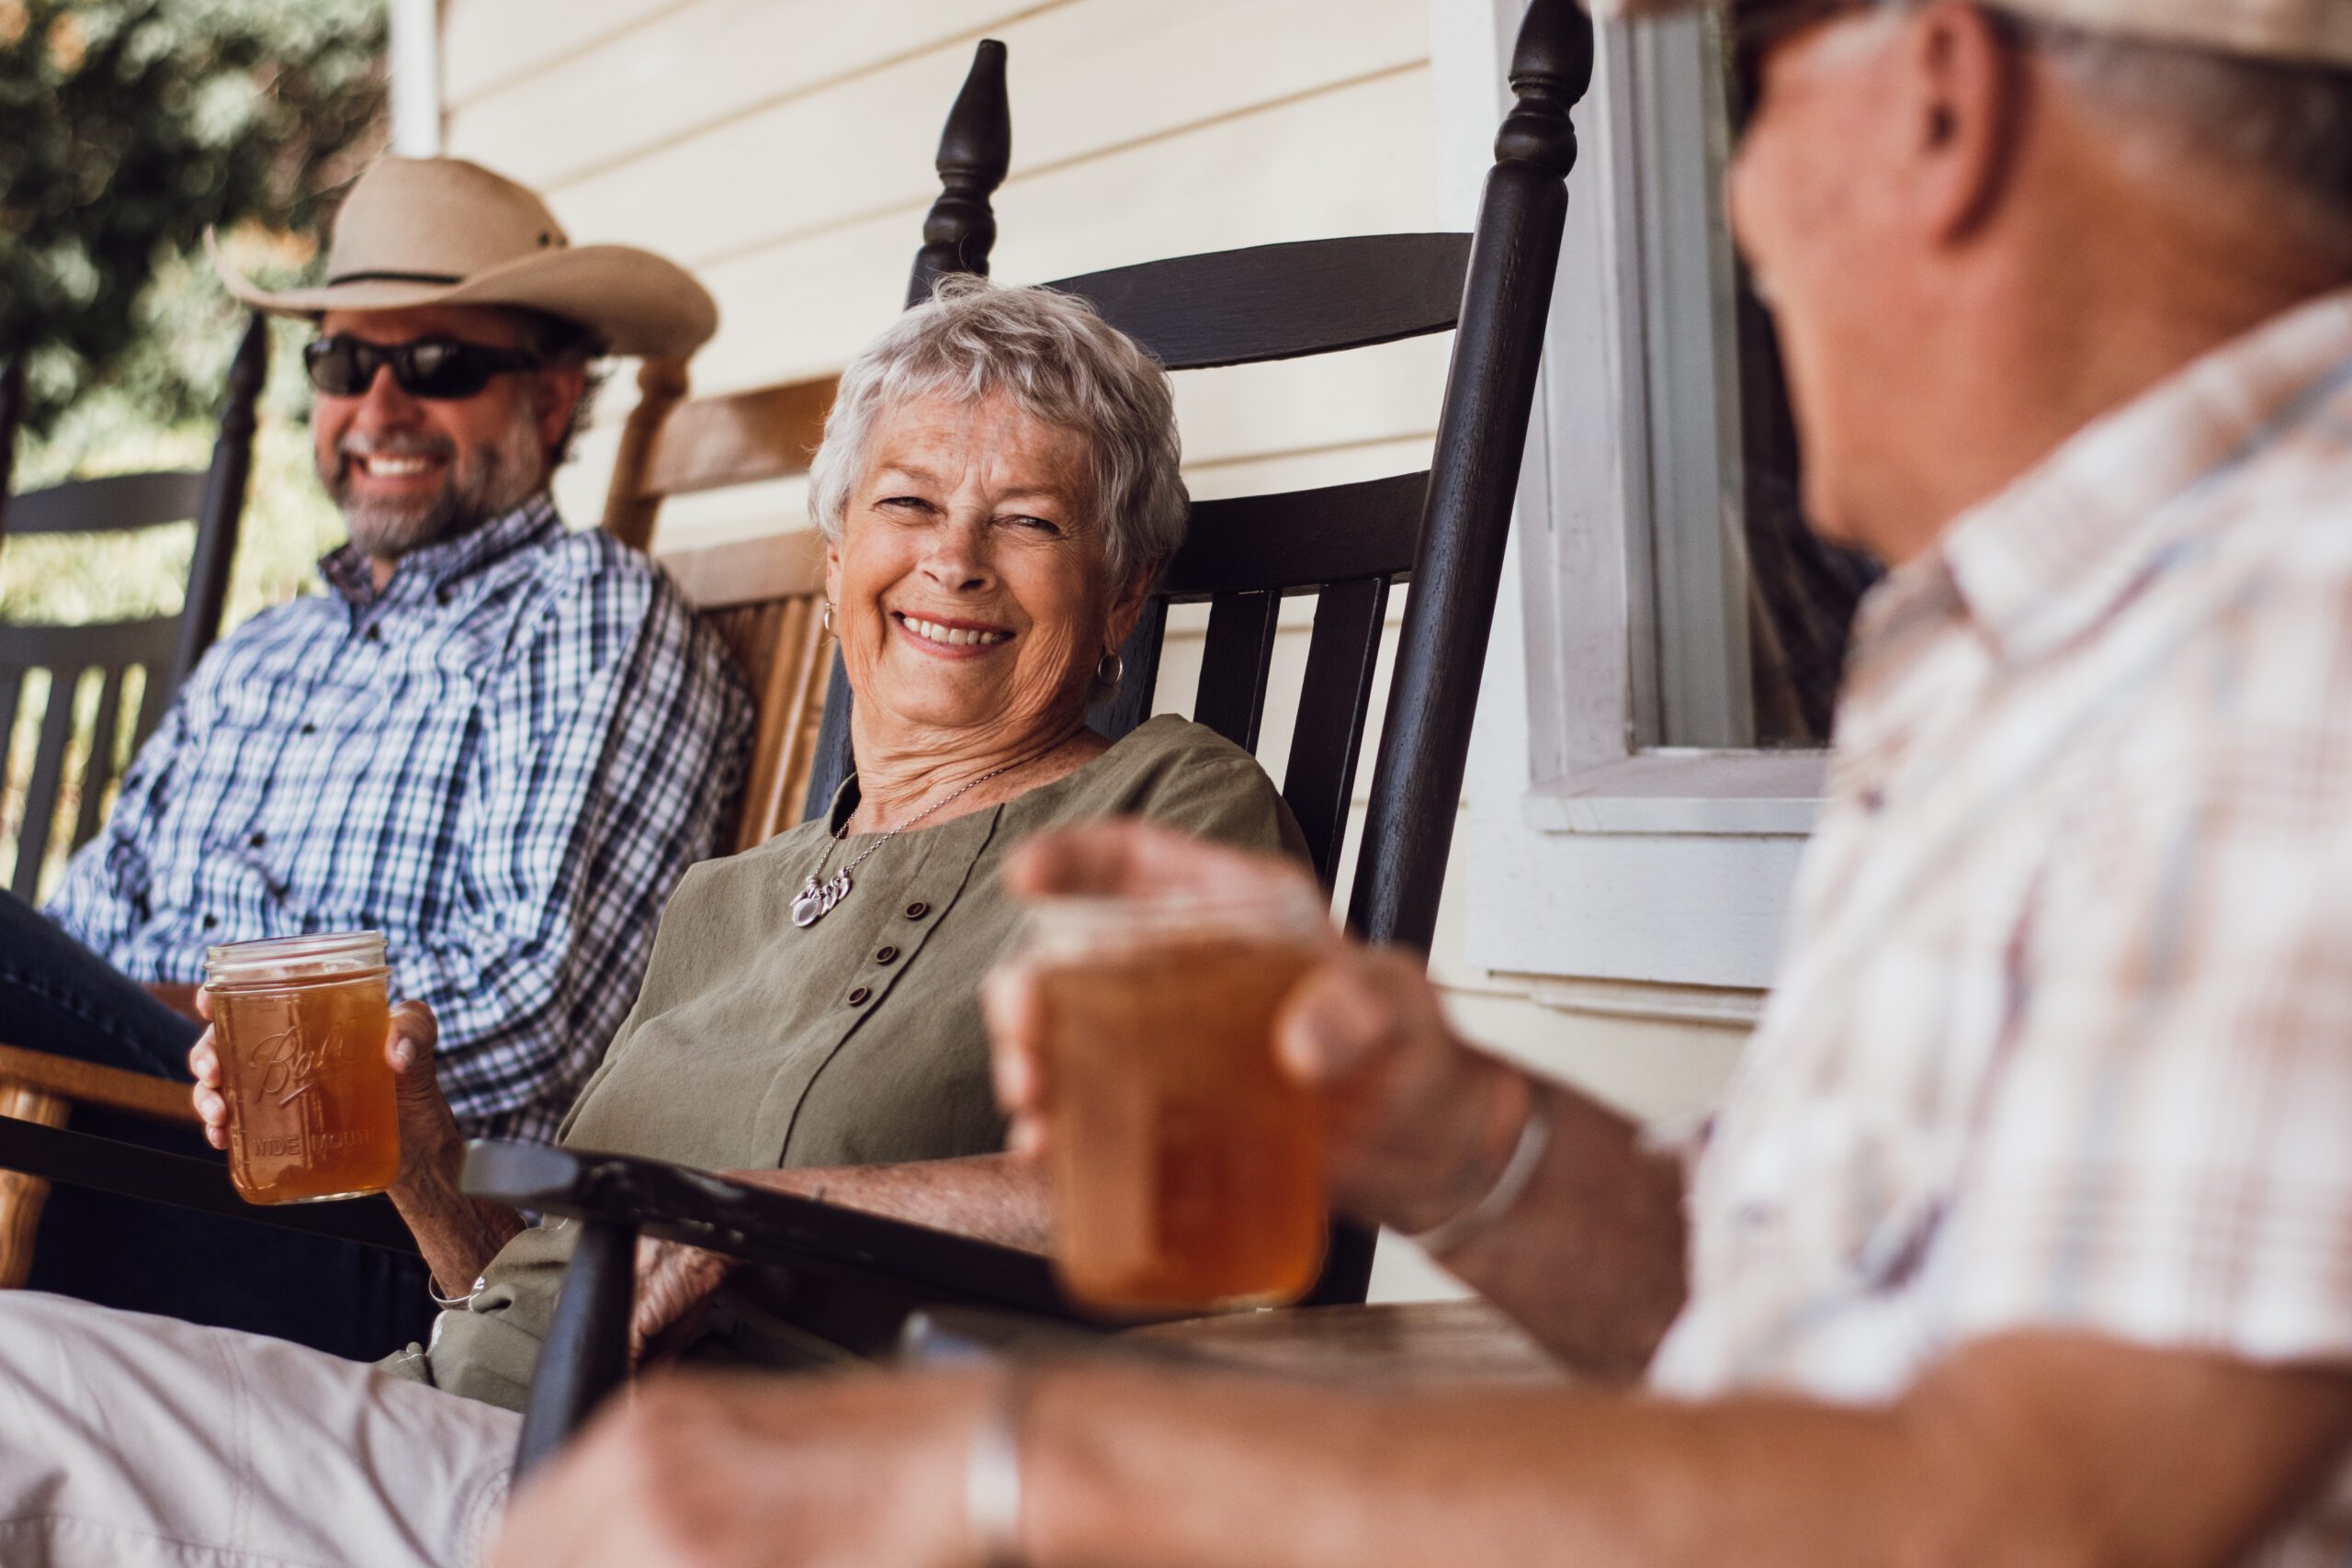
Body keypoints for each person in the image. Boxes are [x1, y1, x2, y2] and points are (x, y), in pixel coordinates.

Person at [489, 4, 2352, 1567]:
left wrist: (1004, 1467)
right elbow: (1791, 1310)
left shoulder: (2289, 640)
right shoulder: (2022, 642)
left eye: (1756, 88)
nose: (1736, 210)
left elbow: (2048, 1503)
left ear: (1933, 100)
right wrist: (1446, 1122)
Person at [0, 277, 1307, 1566]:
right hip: (455, 1427)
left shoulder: (1167, 803)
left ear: (1126, 598)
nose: (953, 561)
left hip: (683, 1500)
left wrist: (736, 1214)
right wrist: (421, 1163)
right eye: (908, 504)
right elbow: (521, 1297)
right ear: (840, 552)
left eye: (1028, 522)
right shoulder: (726, 897)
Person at [0, 155, 752, 1360]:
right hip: (123, 1138)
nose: (381, 407)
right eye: (347, 364)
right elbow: (81, 930)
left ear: (551, 400)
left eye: (440, 365)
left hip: (373, 1229)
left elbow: (537, 1008)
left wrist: (211, 1028)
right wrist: (178, 1022)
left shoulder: (588, 614)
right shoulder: (262, 651)